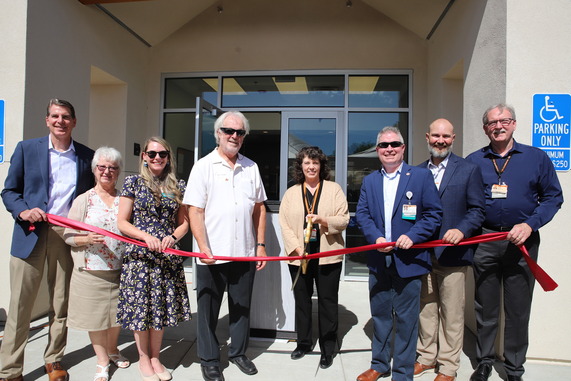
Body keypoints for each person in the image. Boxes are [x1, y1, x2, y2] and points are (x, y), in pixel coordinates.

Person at [466, 104, 563, 381]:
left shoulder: (536, 158)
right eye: (492, 122)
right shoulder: (474, 160)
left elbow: (553, 198)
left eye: (504, 120)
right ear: (485, 128)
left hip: (522, 243)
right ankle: (484, 361)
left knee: (518, 309)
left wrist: (529, 224)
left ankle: (514, 367)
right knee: (485, 306)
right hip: (484, 240)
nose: (498, 126)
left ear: (514, 124)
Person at [0, 99, 95, 381]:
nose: (60, 121)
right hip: (30, 233)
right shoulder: (27, 149)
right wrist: (24, 211)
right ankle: (10, 370)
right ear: (47, 120)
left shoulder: (86, 157)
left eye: (66, 116)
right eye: (55, 116)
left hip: (65, 237)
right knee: (20, 307)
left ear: (74, 122)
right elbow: (9, 192)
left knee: (60, 303)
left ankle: (54, 360)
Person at [184, 111, 267, 381]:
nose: (234, 136)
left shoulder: (251, 167)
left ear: (244, 137)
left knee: (241, 307)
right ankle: (209, 359)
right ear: (218, 133)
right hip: (211, 254)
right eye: (229, 131)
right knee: (208, 310)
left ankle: (238, 353)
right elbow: (194, 210)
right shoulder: (203, 166)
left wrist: (261, 245)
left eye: (239, 132)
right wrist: (203, 246)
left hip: (244, 253)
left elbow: (259, 209)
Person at [355, 126, 442, 381]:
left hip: (409, 260)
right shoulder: (370, 180)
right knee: (380, 316)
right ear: (377, 150)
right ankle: (380, 364)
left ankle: (403, 374)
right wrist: (376, 238)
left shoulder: (421, 176)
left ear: (403, 148)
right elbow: (362, 215)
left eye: (394, 144)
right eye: (384, 145)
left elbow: (434, 214)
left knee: (406, 320)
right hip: (378, 261)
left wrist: (413, 235)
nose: (389, 149)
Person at [414, 119, 486, 381]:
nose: (440, 140)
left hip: (453, 255)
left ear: (453, 138)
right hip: (423, 255)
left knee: (452, 313)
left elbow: (478, 210)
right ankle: (425, 357)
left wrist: (462, 230)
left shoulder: (468, 169)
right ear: (427, 137)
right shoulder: (417, 172)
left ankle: (447, 366)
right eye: (435, 135)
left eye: (445, 136)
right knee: (426, 309)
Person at [116, 137, 191, 381]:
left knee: (159, 308)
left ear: (169, 157)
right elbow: (122, 222)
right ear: (144, 157)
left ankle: (156, 356)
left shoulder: (178, 185)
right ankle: (143, 358)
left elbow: (184, 223)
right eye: (152, 154)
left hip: (166, 258)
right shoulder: (133, 182)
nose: (157, 158)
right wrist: (145, 237)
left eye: (162, 154)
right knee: (141, 309)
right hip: (140, 257)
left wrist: (172, 237)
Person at [279, 146, 349, 369]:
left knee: (328, 303)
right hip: (300, 256)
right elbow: (285, 224)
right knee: (302, 301)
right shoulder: (291, 192)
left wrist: (323, 220)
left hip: (327, 254)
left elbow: (344, 219)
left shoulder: (334, 189)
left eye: (315, 163)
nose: (311, 167)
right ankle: (304, 343)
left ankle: (328, 348)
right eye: (307, 162)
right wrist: (294, 248)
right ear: (301, 166)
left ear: (321, 166)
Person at [63, 147, 129, 381]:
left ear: (118, 171)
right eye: (102, 167)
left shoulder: (125, 200)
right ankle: (102, 361)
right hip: (90, 270)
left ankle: (113, 350)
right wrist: (86, 239)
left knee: (115, 318)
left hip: (119, 270)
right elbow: (67, 235)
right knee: (96, 319)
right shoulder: (84, 200)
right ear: (94, 170)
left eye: (112, 168)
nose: (107, 172)